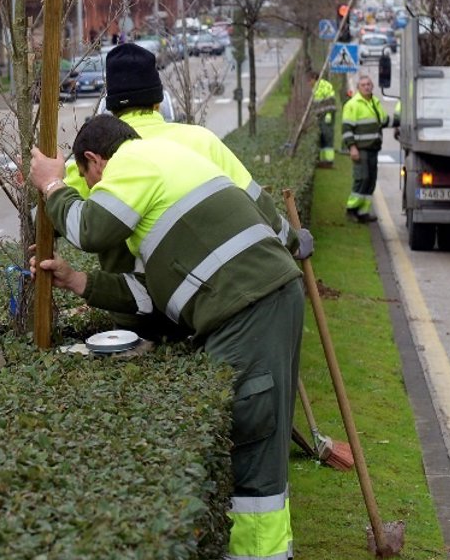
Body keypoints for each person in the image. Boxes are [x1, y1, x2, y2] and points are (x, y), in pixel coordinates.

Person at [30, 116, 305, 560]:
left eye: (89, 182)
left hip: (247, 307)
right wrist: (78, 281)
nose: (96, 191)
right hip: (257, 299)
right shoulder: (167, 164)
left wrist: (52, 185)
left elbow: (90, 229)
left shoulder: (133, 160)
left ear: (94, 161)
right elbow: (151, 294)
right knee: (256, 425)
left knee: (250, 429)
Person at [63, 43, 310, 338]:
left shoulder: (91, 161)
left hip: (133, 310)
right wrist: (293, 241)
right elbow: (258, 205)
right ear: (158, 101)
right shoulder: (200, 141)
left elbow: (59, 214)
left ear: (110, 106)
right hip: (199, 300)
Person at [342, 74, 391, 223]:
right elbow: (346, 129)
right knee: (362, 179)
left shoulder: (375, 102)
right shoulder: (353, 104)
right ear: (358, 88)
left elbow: (383, 120)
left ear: (372, 86)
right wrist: (352, 147)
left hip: (373, 149)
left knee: (371, 180)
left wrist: (401, 121)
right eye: (363, 85)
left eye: (369, 84)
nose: (366, 87)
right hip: (360, 149)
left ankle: (363, 212)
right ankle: (351, 209)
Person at [310, 69, 337, 168]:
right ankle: (321, 160)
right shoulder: (314, 88)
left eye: (310, 80)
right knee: (320, 137)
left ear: (314, 78)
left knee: (327, 136)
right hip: (319, 116)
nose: (309, 83)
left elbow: (331, 101)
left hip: (326, 116)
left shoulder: (325, 86)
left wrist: (329, 114)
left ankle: (329, 161)